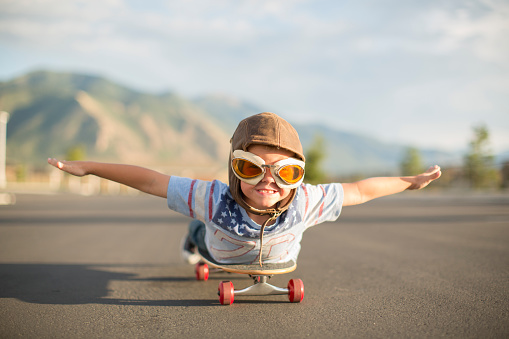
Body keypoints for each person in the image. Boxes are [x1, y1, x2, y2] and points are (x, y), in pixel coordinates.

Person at [48, 112, 441, 266]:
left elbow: (359, 190)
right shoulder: (213, 198)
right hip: (215, 248)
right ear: (234, 170)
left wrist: (411, 182)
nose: (267, 180)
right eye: (251, 168)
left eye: (286, 173)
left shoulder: (305, 200)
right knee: (201, 226)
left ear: (298, 176)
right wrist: (91, 168)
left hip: (270, 257)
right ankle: (192, 237)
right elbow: (151, 179)